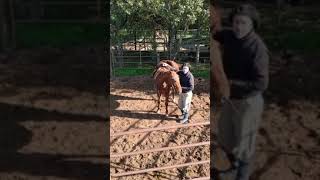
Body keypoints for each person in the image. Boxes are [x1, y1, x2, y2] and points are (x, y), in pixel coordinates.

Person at [212, 3, 269, 180]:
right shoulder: (229, 36)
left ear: (252, 25)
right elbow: (214, 33)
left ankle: (241, 176)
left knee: (244, 146)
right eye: (236, 22)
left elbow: (261, 83)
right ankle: (233, 167)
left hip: (248, 101)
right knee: (226, 136)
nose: (239, 26)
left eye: (243, 23)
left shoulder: (257, 48)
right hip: (231, 98)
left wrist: (230, 84)